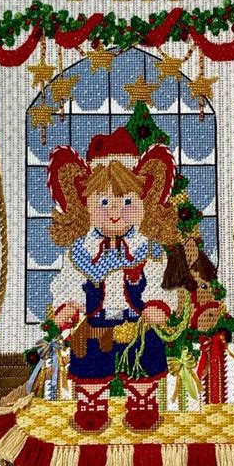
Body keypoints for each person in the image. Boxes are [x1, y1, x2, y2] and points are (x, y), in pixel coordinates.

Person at [47, 127, 179, 431]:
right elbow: (68, 283)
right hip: (95, 322)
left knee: (144, 360)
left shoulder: (149, 249)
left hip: (138, 321)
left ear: (144, 203)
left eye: (127, 202)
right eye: (104, 202)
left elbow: (161, 281)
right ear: (87, 205)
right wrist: (69, 306)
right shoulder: (81, 252)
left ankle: (143, 404)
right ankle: (92, 405)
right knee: (90, 364)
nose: (115, 212)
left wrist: (158, 304)